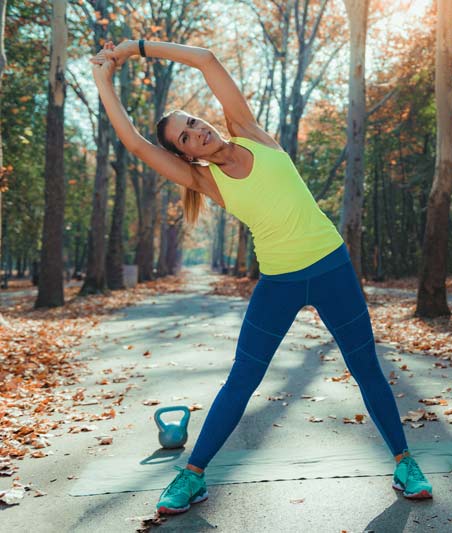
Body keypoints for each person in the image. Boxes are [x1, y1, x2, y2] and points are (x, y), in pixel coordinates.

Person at [90, 39, 433, 515]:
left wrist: (139, 48)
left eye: (192, 122)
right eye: (185, 138)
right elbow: (132, 142)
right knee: (243, 378)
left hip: (332, 267)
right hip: (279, 282)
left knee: (365, 367)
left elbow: (207, 59)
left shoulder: (250, 131)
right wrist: (104, 81)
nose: (195, 132)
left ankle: (404, 463)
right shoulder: (205, 180)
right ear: (186, 156)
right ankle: (191, 476)